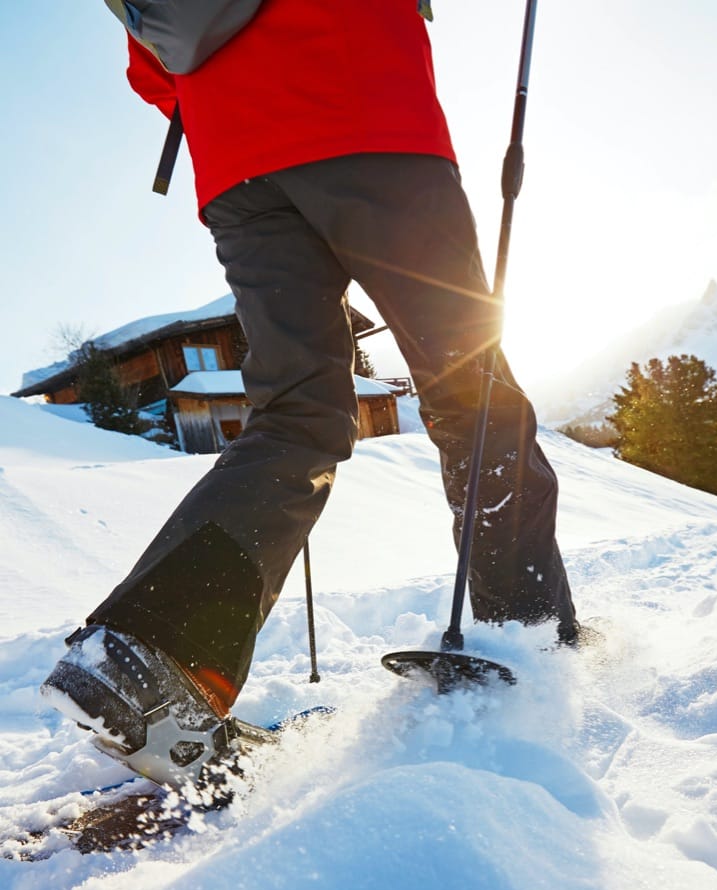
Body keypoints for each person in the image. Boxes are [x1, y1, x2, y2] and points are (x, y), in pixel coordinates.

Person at [41, 0, 577, 798]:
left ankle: (148, 653)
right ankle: (521, 640)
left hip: (238, 167)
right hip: (371, 114)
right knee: (470, 383)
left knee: (295, 413)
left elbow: (154, 65)